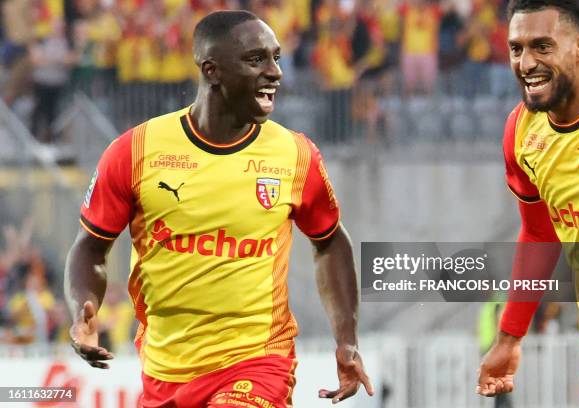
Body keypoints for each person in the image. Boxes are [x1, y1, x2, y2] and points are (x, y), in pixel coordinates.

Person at [64, 10, 373, 408]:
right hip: (165, 372)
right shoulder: (135, 151)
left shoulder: (295, 155)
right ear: (212, 71)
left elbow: (330, 241)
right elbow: (90, 247)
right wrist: (82, 312)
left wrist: (346, 339)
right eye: (256, 59)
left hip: (258, 362)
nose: (275, 72)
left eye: (276, 57)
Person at [477, 0, 579, 406]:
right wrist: (509, 336)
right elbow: (539, 232)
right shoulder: (521, 133)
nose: (526, 62)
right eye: (517, 48)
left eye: (542, 46)